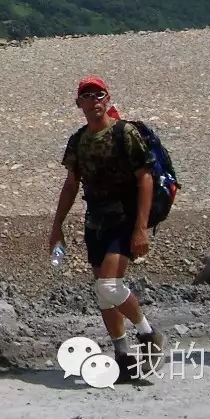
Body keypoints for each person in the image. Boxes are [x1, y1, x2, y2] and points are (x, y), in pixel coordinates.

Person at [48, 76, 165, 379]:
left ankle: (148, 334)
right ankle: (123, 356)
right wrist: (56, 225)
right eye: (87, 96)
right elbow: (71, 184)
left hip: (123, 220)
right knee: (103, 294)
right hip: (95, 222)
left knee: (108, 286)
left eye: (99, 95)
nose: (94, 101)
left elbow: (146, 178)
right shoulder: (78, 141)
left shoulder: (125, 134)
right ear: (79, 104)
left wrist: (140, 228)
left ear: (108, 98)